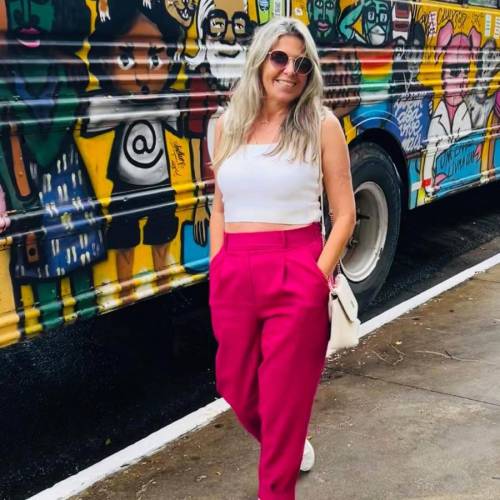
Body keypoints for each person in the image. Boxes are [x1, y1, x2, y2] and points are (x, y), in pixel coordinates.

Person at [208, 16, 356, 500]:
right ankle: (288, 440)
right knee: (233, 382)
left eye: (302, 64)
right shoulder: (226, 125)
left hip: (297, 268)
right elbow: (220, 206)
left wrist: (317, 277)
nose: (290, 70)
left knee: (283, 400)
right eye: (280, 58)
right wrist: (217, 266)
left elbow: (345, 214)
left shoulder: (321, 125)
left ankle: (281, 468)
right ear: (260, 61)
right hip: (234, 270)